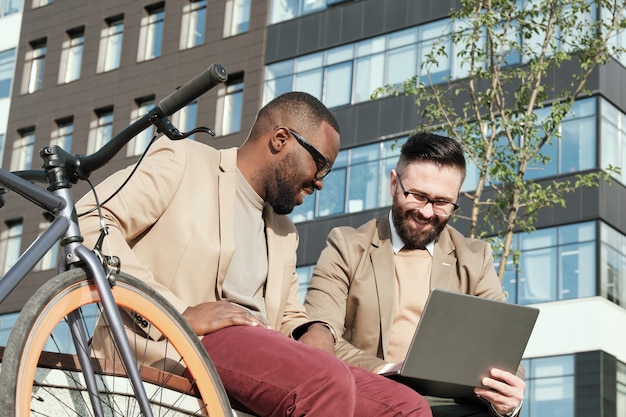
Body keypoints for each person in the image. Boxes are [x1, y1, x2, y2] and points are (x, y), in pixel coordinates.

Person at [76, 92, 432, 417]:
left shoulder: (283, 230)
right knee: (326, 381)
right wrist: (178, 312)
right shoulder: (183, 160)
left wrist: (313, 328)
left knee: (407, 407)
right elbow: (88, 221)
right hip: (183, 345)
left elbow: (287, 313)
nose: (321, 181)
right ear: (281, 140)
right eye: (320, 165)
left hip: (260, 351)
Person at [304, 132, 525, 417]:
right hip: (370, 398)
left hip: (454, 408)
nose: (427, 212)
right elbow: (320, 334)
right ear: (394, 183)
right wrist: (387, 370)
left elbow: (502, 348)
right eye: (418, 196)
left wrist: (509, 397)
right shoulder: (347, 246)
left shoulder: (475, 257)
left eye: (443, 202)